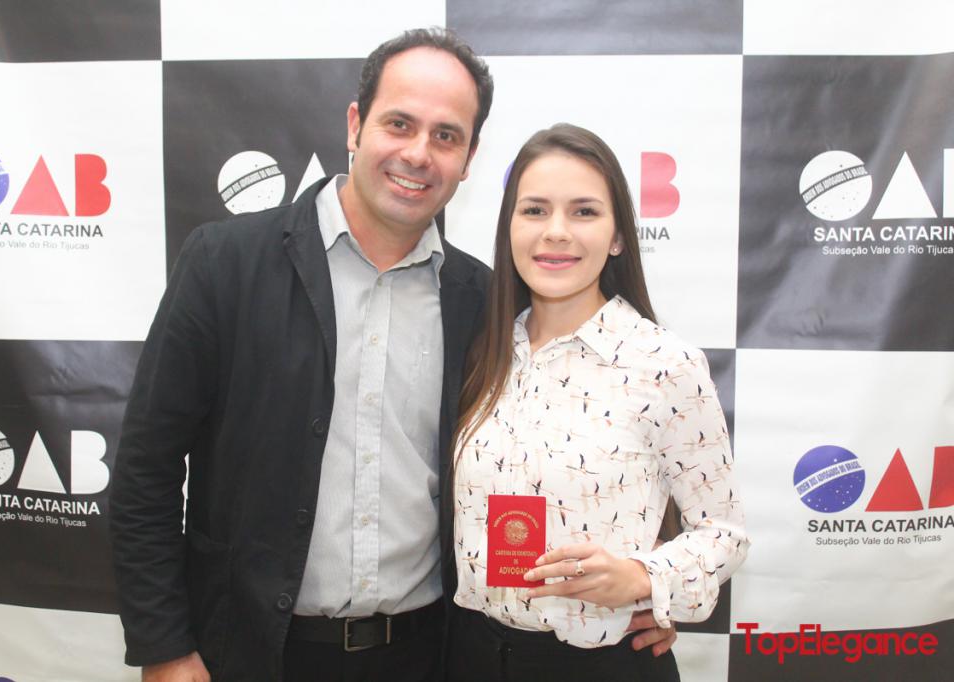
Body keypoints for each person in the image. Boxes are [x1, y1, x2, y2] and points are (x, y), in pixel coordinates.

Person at [109, 28, 676, 681]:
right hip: (250, 654)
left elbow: (563, 459)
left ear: (469, 158)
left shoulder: (487, 303)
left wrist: (649, 580)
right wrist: (165, 647)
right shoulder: (224, 264)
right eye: (399, 124)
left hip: (428, 656)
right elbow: (147, 471)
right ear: (356, 124)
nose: (418, 154)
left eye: (446, 136)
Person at [447, 124, 749, 681]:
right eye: (534, 210)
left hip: (602, 665)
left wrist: (644, 577)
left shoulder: (664, 364)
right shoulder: (480, 349)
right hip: (472, 656)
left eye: (584, 211)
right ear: (509, 228)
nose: (556, 232)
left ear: (617, 237)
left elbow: (723, 533)